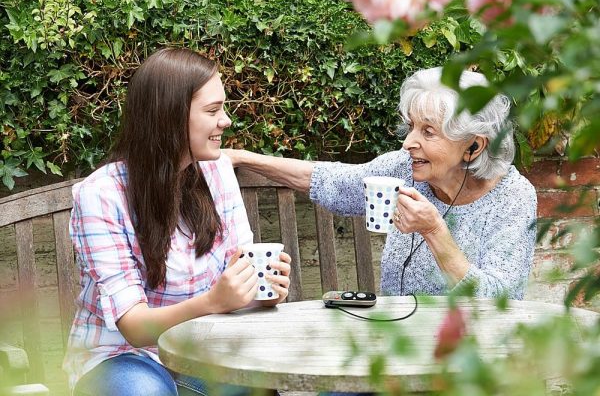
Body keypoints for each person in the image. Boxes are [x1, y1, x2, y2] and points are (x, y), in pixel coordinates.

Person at [63, 48, 292, 396]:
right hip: (121, 357)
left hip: (202, 352)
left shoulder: (217, 174)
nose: (226, 120)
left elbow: (237, 276)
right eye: (213, 110)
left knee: (256, 387)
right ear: (169, 117)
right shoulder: (101, 195)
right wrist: (213, 302)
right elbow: (135, 327)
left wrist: (259, 290)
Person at [224, 67, 537, 300]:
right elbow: (332, 181)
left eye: (428, 132)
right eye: (412, 127)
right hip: (395, 343)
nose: (408, 143)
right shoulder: (404, 169)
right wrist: (243, 158)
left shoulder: (512, 198)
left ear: (474, 146)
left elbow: (501, 300)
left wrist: (434, 231)